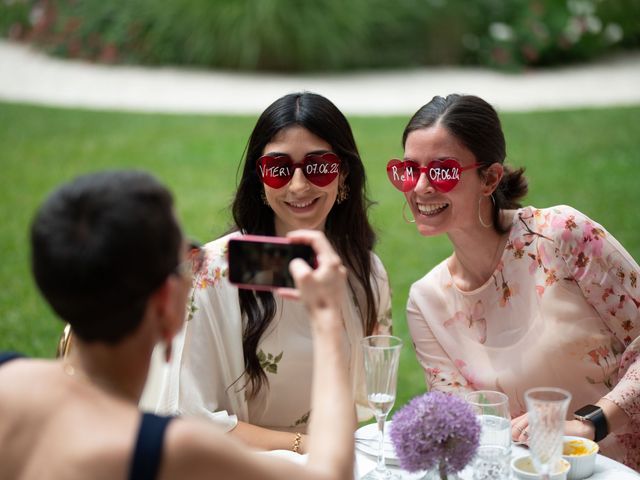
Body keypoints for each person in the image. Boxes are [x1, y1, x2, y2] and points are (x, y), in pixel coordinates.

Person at [0, 170, 356, 480]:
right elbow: (328, 476)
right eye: (188, 257)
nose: (199, 262)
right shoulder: (171, 452)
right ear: (165, 304)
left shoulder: (8, 378)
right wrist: (326, 322)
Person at [387, 94, 640, 470]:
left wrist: (590, 424)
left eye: (441, 171)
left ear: (489, 178)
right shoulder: (426, 302)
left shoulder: (562, 236)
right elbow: (463, 431)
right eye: (408, 170)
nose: (420, 187)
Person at [143, 92, 392, 453]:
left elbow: (359, 405)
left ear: (344, 173)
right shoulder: (211, 271)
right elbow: (190, 417)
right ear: (259, 180)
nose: (298, 185)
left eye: (318, 166)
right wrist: (306, 447)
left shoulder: (366, 272)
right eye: (278, 169)